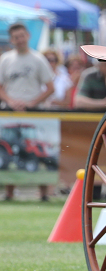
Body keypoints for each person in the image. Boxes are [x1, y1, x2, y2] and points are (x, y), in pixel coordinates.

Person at [0, 23, 55, 201]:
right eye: (16, 37)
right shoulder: (6, 59)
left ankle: (44, 193)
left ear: (28, 36)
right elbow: (1, 87)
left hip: (34, 113)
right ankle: (9, 193)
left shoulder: (38, 59)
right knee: (9, 152)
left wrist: (32, 102)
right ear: (11, 39)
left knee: (38, 152)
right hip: (10, 112)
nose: (20, 40)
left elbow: (50, 87)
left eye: (22, 36)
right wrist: (10, 101)